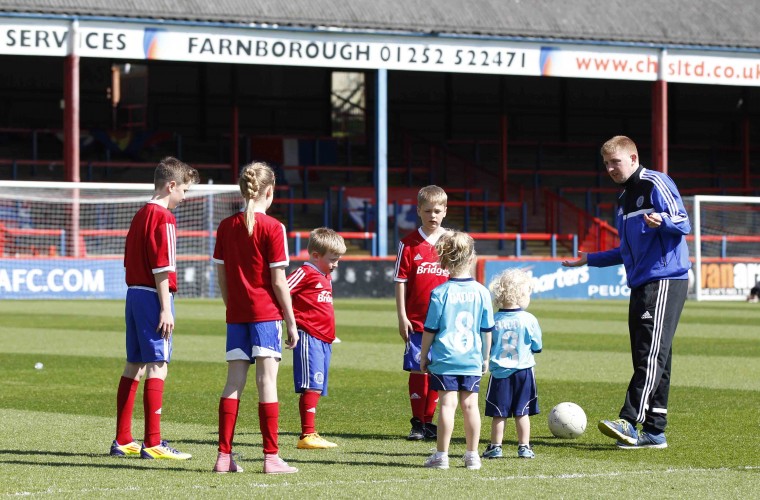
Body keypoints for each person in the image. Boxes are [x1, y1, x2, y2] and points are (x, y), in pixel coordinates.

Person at [562, 135, 690, 450]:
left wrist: (664, 220)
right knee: (653, 355)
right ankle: (655, 431)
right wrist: (589, 260)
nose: (610, 168)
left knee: (650, 353)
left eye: (615, 162)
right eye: (606, 164)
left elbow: (683, 221)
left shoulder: (655, 183)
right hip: (642, 283)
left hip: (663, 279)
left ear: (633, 158)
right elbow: (625, 251)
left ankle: (629, 421)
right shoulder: (624, 199)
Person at [212, 162, 299, 474]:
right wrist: (290, 321)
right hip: (265, 315)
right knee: (267, 382)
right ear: (269, 191)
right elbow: (278, 281)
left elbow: (221, 276)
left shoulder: (225, 226)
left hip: (236, 315)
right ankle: (271, 457)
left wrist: (232, 305)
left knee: (233, 382)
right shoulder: (274, 228)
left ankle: (223, 456)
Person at [110, 157, 199, 460]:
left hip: (133, 294)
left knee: (133, 364)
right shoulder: (164, 218)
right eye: (184, 191)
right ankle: (154, 442)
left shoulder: (139, 214)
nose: (184, 198)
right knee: (158, 364)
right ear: (171, 185)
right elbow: (163, 266)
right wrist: (166, 308)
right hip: (152, 295)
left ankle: (123, 439)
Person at [420, 231, 494, 470]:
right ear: (472, 258)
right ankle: (472, 455)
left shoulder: (440, 293)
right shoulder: (482, 292)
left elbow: (430, 329)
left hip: (445, 359)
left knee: (447, 406)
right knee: (471, 406)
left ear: (443, 261)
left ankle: (441, 456)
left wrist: (423, 356)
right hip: (471, 358)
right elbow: (487, 330)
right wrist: (485, 359)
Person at [394, 185, 450, 441]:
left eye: (437, 211)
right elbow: (400, 281)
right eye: (427, 210)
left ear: (445, 211)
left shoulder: (453, 243)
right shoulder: (407, 244)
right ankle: (418, 422)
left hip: (447, 322)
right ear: (418, 211)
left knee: (438, 371)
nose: (433, 215)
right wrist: (402, 316)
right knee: (418, 370)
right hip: (416, 321)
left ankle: (430, 422)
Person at [287, 227, 347, 449]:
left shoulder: (325, 275)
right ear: (315, 255)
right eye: (332, 259)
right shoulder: (304, 272)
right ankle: (307, 435)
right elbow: (283, 291)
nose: (336, 264)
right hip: (308, 335)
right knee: (311, 385)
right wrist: (290, 324)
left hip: (324, 339)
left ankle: (311, 433)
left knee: (317, 385)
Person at [482, 268, 542, 460]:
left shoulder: (494, 319)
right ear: (521, 295)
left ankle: (495, 447)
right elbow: (537, 345)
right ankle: (524, 447)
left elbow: (487, 345)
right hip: (524, 372)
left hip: (500, 372)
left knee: (499, 414)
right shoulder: (529, 319)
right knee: (521, 412)